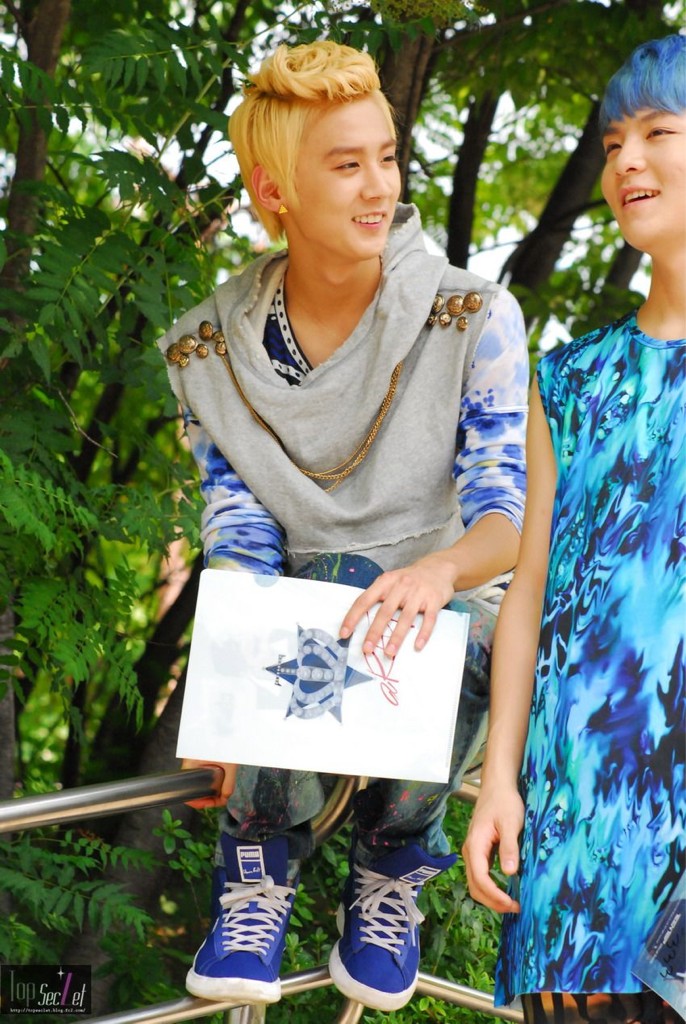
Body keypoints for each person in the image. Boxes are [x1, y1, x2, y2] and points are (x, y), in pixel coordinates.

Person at [158, 40, 528, 1012]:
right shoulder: (207, 351)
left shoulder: (473, 314)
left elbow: (504, 518)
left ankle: (392, 861)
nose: (379, 187)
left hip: (445, 598)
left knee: (471, 629)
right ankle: (257, 865)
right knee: (297, 595)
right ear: (272, 191)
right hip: (303, 617)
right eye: (346, 163)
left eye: (387, 157)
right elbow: (239, 538)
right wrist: (222, 700)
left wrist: (436, 573)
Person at [462, 33, 685, 1024]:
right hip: (576, 835)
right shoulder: (568, 380)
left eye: (657, 132)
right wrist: (497, 781)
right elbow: (528, 592)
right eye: (611, 142)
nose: (626, 159)